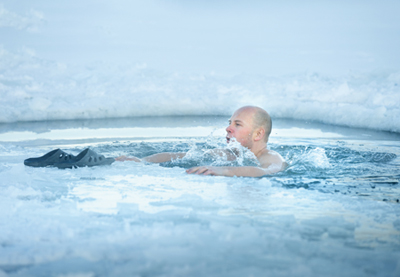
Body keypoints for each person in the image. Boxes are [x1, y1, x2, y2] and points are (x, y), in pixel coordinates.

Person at [116, 106, 286, 177]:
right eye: (229, 123)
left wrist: (223, 170)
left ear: (258, 134)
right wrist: (143, 161)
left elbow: (266, 171)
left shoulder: (271, 157)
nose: (228, 128)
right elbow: (180, 156)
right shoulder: (230, 154)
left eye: (238, 124)